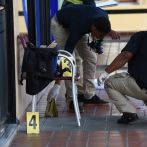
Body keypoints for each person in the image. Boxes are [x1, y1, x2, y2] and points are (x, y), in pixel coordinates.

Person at [46, 3, 120, 115]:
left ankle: (88, 96)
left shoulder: (103, 17)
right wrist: (57, 85)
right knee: (71, 60)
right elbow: (66, 56)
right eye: (101, 36)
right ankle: (72, 99)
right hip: (60, 24)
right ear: (94, 29)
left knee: (90, 57)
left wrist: (110, 31)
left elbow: (102, 27)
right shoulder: (79, 27)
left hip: (78, 20)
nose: (102, 38)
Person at [98, 31, 147, 124]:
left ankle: (129, 113)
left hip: (142, 87)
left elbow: (126, 56)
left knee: (109, 83)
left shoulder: (141, 36)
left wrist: (106, 72)